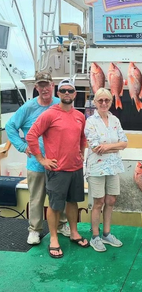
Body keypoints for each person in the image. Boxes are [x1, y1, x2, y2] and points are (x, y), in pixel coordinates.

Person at [26, 78, 89, 258]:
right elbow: (31, 136)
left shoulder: (79, 116)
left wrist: (81, 152)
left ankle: (74, 233)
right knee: (54, 206)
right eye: (63, 91)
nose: (67, 94)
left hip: (75, 168)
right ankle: (53, 238)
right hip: (57, 170)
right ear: (58, 94)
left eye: (70, 91)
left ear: (75, 94)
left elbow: (82, 139)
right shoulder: (49, 114)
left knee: (73, 202)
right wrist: (42, 159)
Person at [5, 72, 70, 245]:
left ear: (52, 85)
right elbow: (10, 126)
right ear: (36, 87)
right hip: (36, 163)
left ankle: (62, 225)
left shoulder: (60, 104)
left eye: (47, 84)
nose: (44, 89)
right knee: (36, 198)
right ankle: (34, 230)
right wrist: (22, 146)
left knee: (58, 196)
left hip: (58, 163)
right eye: (40, 85)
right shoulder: (28, 107)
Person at [84, 88, 128, 252]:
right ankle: (95, 236)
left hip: (113, 166)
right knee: (98, 202)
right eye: (100, 100)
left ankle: (106, 234)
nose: (103, 103)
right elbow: (95, 147)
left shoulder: (115, 120)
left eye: (107, 100)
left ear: (111, 102)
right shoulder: (90, 122)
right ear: (95, 102)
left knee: (111, 200)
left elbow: (124, 143)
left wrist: (108, 147)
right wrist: (115, 147)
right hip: (96, 168)